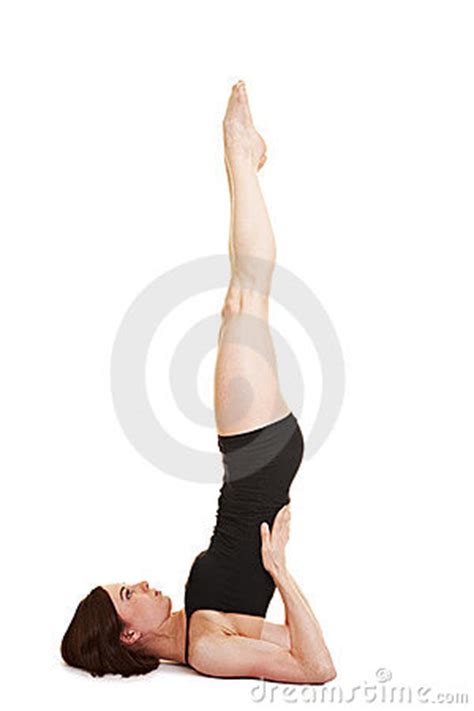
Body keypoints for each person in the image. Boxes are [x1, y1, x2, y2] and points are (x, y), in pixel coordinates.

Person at [61, 80, 336, 685]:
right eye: (131, 591)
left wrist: (274, 579)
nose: (144, 583)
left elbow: (290, 639)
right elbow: (317, 666)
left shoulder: (196, 630)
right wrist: (280, 572)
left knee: (244, 298)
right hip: (256, 459)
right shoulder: (207, 651)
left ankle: (243, 155)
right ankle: (241, 152)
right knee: (245, 296)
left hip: (254, 461)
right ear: (129, 631)